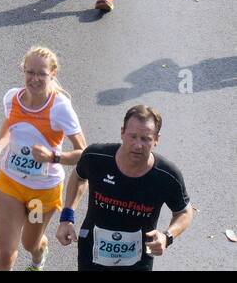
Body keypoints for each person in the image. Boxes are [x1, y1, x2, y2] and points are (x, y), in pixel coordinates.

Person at [0, 47, 86, 270]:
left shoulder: (60, 108)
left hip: (42, 192)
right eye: (30, 72)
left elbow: (83, 154)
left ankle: (39, 255)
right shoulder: (12, 98)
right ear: (23, 71)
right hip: (10, 183)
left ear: (53, 74)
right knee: (6, 253)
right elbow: (10, 126)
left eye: (41, 74)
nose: (34, 79)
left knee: (30, 243)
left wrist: (53, 156)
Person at [56, 104, 193, 270]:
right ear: (122, 132)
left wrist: (167, 236)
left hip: (139, 260)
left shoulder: (167, 176)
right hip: (92, 252)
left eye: (146, 139)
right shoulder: (96, 157)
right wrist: (67, 217)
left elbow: (184, 212)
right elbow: (79, 177)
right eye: (132, 136)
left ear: (156, 139)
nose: (138, 145)